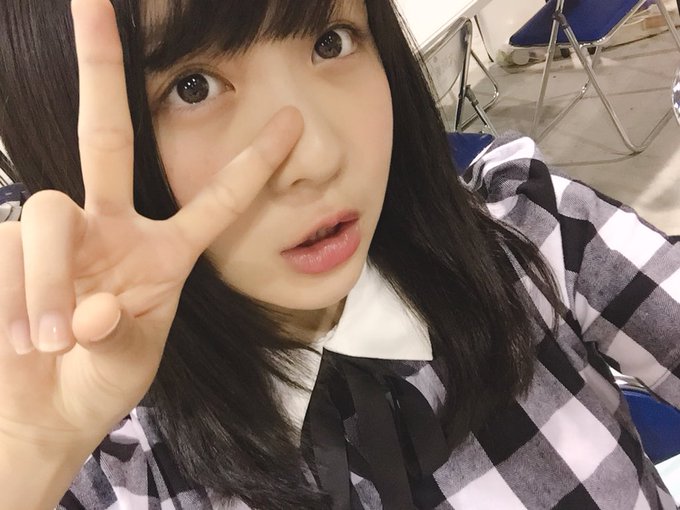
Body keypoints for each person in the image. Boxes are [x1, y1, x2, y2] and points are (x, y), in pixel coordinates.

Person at [0, 0, 678, 508]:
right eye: (192, 86)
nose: (319, 159)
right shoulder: (117, 464)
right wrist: (32, 456)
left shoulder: (530, 237)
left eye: (331, 40)